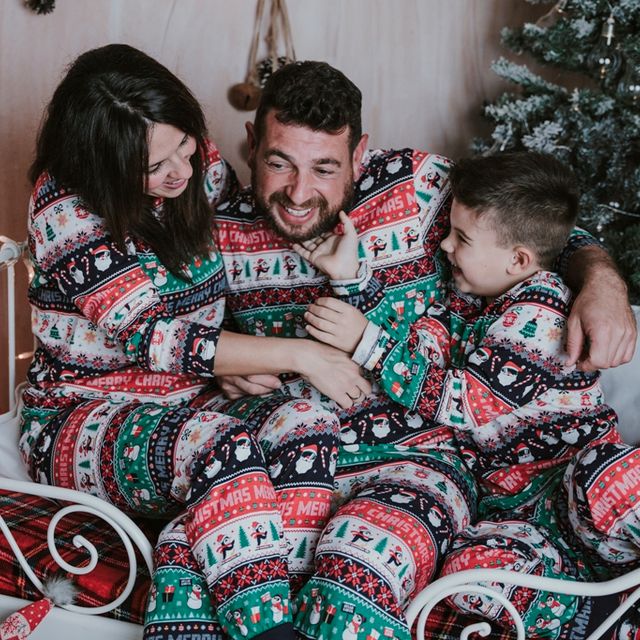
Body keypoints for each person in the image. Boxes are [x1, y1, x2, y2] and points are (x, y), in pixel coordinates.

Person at [211, 61, 637, 640]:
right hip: (352, 464)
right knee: (441, 585)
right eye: (278, 161)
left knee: (612, 484)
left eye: (325, 167)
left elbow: (532, 227)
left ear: (360, 154)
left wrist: (603, 281)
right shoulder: (214, 232)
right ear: (251, 144)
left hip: (450, 461)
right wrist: (239, 362)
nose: (299, 192)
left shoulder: (422, 189)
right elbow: (172, 339)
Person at [20, 44, 372, 640]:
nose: (183, 173)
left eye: (185, 145)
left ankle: (200, 619)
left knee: (306, 422)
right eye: (155, 168)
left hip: (191, 399)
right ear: (102, 165)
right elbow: (153, 335)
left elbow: (240, 233)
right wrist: (300, 354)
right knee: (225, 447)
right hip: (83, 411)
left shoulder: (198, 164)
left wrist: (345, 276)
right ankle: (269, 633)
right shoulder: (65, 210)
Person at [302, 151, 640, 638]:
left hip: (574, 483)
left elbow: (466, 402)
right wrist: (353, 278)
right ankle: (597, 614)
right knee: (467, 577)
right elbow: (415, 349)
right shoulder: (469, 303)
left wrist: (366, 343)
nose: (444, 245)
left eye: (461, 238)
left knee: (612, 475)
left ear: (518, 259)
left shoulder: (540, 309)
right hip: (517, 512)